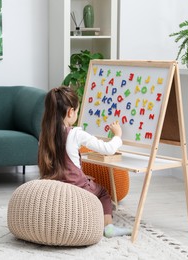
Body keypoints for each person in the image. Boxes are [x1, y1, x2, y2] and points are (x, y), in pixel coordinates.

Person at [38, 86, 131, 238]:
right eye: (77, 111)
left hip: (54, 187)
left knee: (88, 180)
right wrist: (118, 135)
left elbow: (61, 164)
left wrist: (84, 177)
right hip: (75, 188)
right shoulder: (76, 134)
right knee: (103, 192)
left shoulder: (45, 134)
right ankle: (109, 227)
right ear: (70, 112)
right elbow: (107, 149)